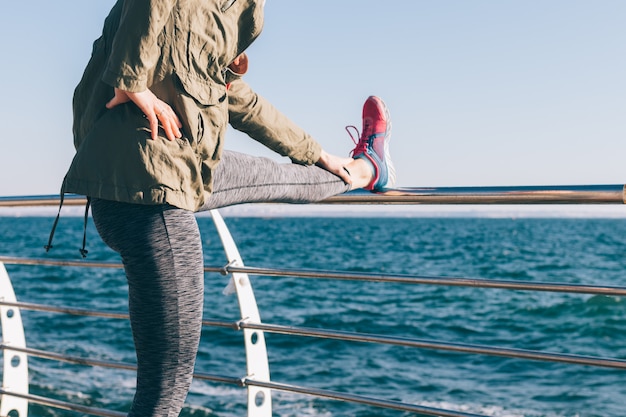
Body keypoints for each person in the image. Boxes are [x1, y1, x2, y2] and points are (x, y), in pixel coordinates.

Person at [53, 1, 396, 416]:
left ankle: (366, 167)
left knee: (286, 176)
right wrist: (131, 78)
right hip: (149, 200)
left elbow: (235, 98)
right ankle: (363, 167)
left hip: (179, 168)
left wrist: (316, 151)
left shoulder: (218, 21)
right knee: (163, 394)